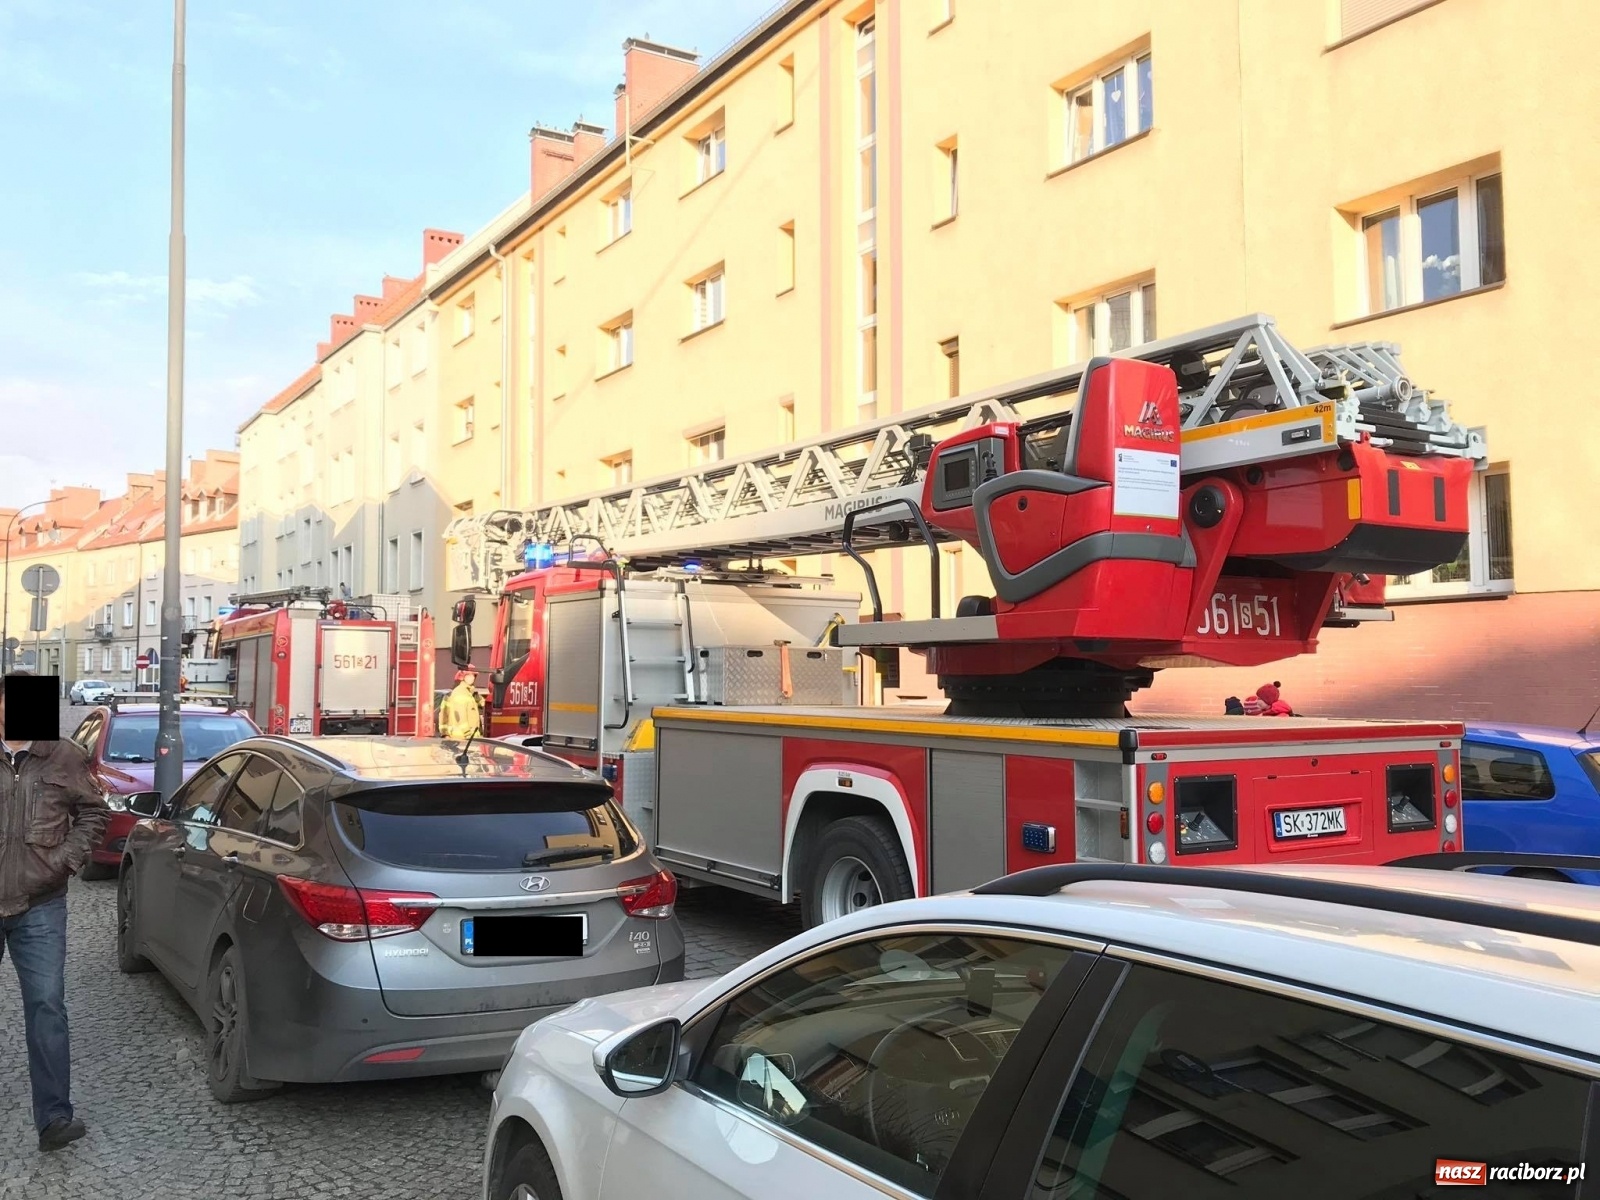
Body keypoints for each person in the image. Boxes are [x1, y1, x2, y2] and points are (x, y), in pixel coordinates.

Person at [0, 670, 109, 1152]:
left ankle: (54, 1118)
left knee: (46, 1007)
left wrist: (67, 859)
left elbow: (94, 810)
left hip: (40, 903)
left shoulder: (64, 754)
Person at [439, 667, 483, 741]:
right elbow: (460, 714)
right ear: (463, 677)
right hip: (462, 737)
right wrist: (467, 733)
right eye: (469, 675)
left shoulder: (469, 693)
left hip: (467, 737)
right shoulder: (461, 693)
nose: (472, 678)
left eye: (473, 676)